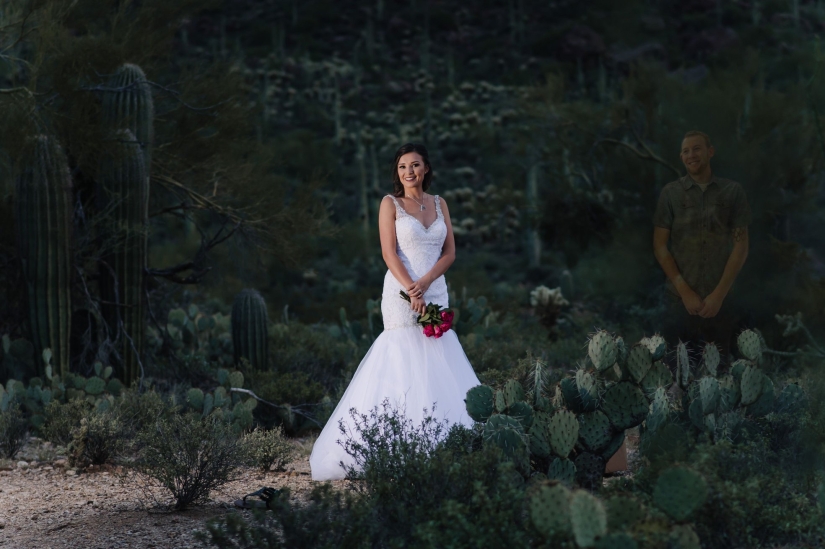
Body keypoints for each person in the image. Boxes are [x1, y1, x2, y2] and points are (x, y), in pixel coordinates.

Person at [310, 143, 480, 481]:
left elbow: (449, 252)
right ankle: (394, 443)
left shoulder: (439, 203)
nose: (409, 172)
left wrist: (427, 283)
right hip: (400, 292)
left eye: (415, 165)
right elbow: (389, 254)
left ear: (426, 169)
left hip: (435, 290)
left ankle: (442, 442)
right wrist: (411, 289)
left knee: (437, 353)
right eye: (403, 167)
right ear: (397, 172)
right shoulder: (390, 204)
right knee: (403, 355)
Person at [653, 130, 751, 363]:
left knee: (719, 379)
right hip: (678, 302)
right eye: (685, 151)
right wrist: (685, 292)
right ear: (681, 157)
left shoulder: (733, 192)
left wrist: (718, 295)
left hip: (721, 302)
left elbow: (741, 246)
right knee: (674, 379)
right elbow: (660, 246)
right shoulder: (670, 194)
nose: (691, 155)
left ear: (710, 152)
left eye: (696, 148)